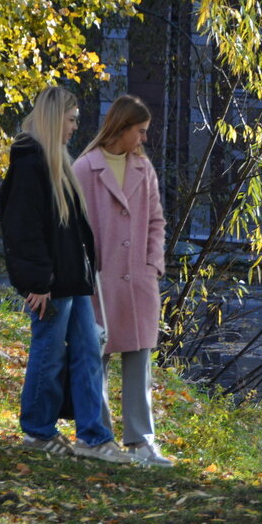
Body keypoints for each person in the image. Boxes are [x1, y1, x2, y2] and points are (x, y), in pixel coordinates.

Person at [0, 85, 132, 464]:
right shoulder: (30, 161)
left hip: (72, 281)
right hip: (52, 284)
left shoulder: (54, 159)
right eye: (71, 120)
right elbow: (22, 228)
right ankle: (38, 430)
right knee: (49, 353)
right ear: (56, 118)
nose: (75, 127)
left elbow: (68, 230)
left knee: (88, 353)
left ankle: (94, 437)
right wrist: (37, 282)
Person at [73, 94, 174, 467]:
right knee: (95, 356)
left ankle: (143, 441)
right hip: (99, 280)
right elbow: (72, 226)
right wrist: (84, 272)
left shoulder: (143, 169)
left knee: (139, 358)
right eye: (141, 131)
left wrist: (153, 264)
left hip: (139, 280)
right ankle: (100, 437)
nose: (144, 139)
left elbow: (156, 221)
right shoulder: (85, 168)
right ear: (122, 127)